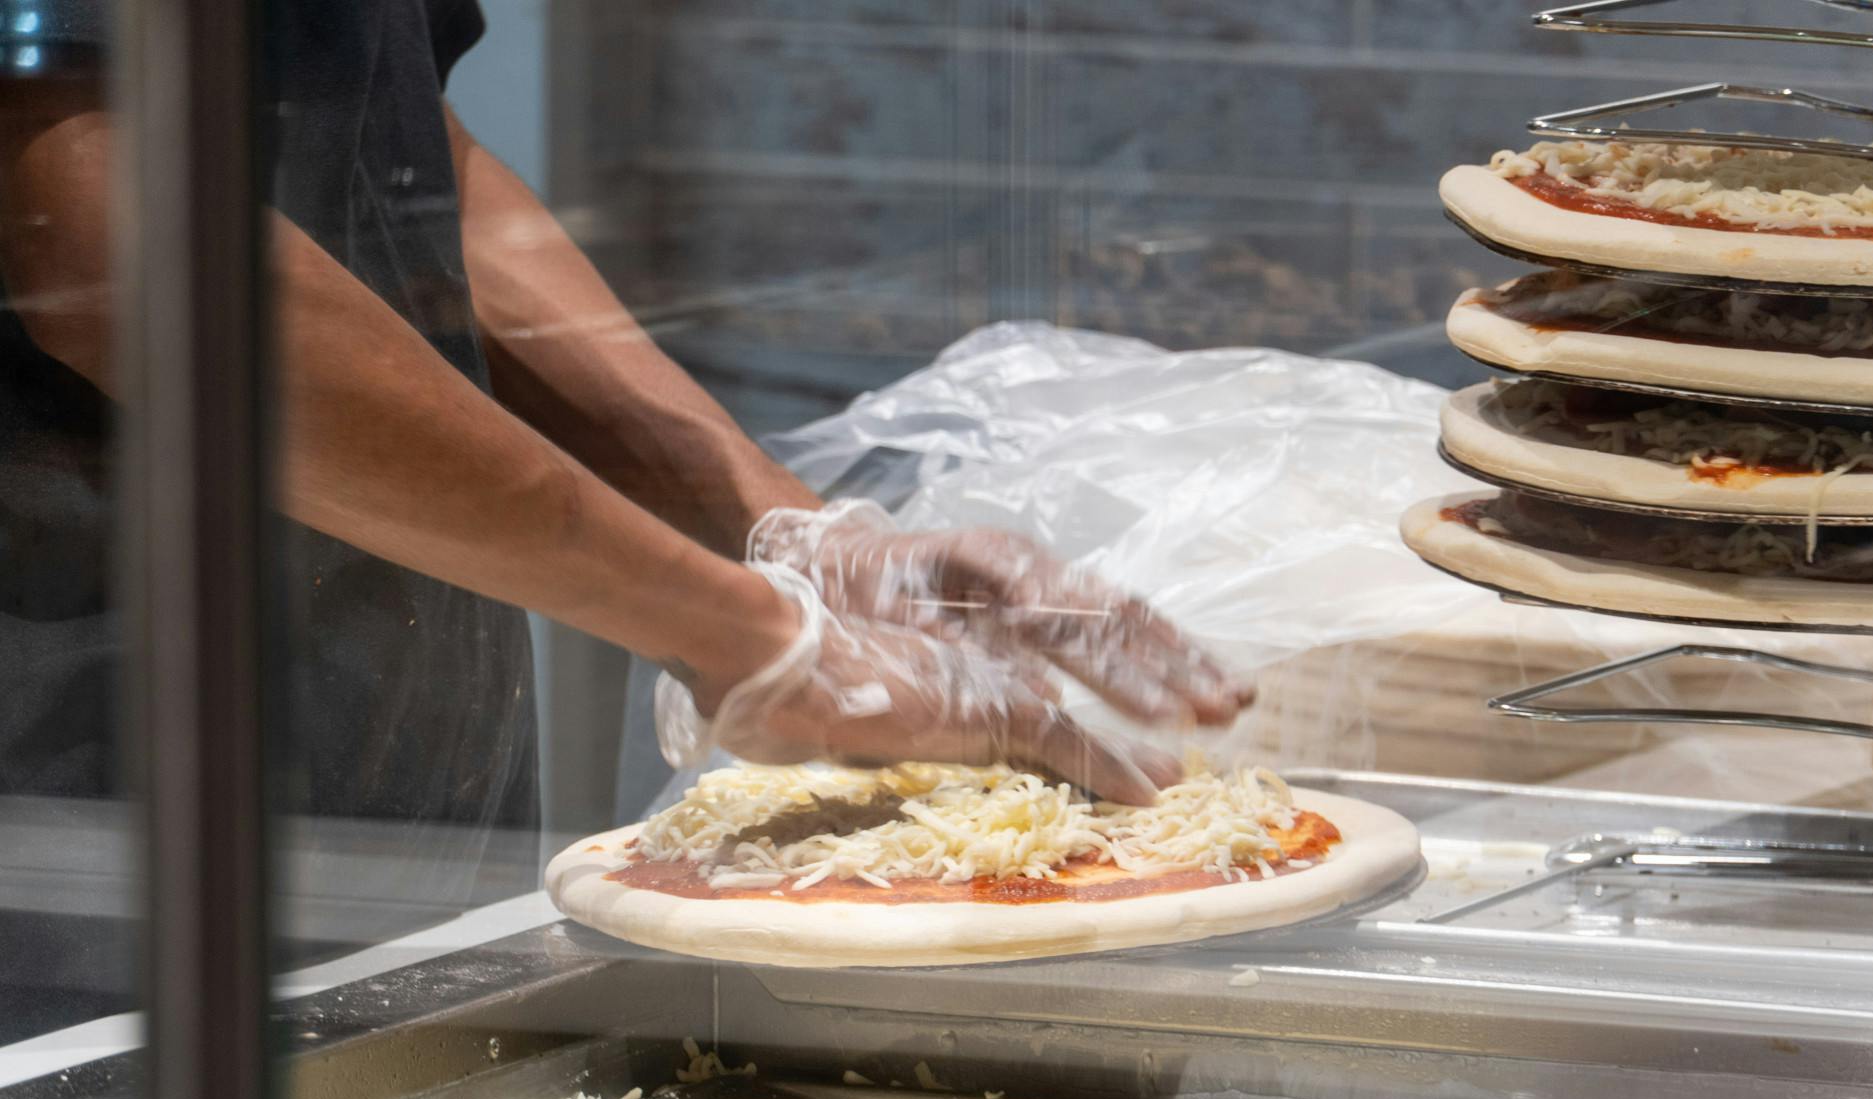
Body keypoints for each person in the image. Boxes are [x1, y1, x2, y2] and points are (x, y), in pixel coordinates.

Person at [0, 0, 1251, 844]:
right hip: (91, 842)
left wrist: (780, 537)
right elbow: (99, 220)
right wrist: (738, 634)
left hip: (390, 808)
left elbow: (399, 154)